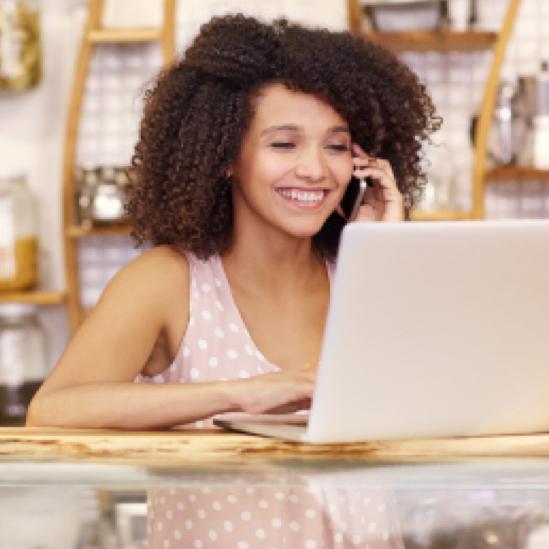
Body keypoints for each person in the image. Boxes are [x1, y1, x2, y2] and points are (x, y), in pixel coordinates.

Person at [27, 13, 440, 548]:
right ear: (225, 157)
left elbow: (439, 412)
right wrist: (243, 395)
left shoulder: (362, 279)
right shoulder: (168, 282)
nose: (316, 170)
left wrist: (381, 259)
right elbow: (51, 413)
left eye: (336, 146)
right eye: (284, 144)